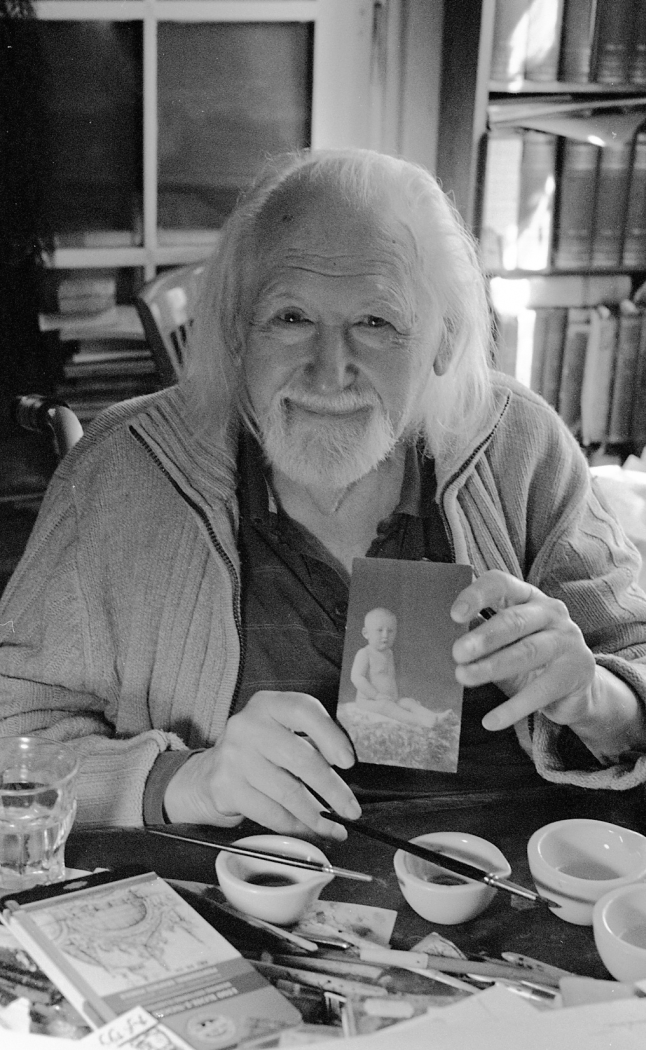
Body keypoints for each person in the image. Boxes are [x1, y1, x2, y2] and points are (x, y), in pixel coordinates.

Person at [2, 148, 646, 841]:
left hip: (515, 872)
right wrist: (182, 780)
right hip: (236, 891)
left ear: (444, 339)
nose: (329, 371)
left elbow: (632, 660)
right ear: (237, 331)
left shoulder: (521, 446)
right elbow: (13, 742)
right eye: (291, 317)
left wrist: (597, 698)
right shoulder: (123, 471)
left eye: (376, 323)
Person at [349, 607, 449, 728]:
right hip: (369, 701)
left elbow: (389, 677)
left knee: (408, 702)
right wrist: (376, 695)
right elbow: (357, 678)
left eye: (390, 631)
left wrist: (394, 695)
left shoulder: (389, 653)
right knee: (387, 707)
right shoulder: (365, 653)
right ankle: (420, 721)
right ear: (366, 633)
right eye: (379, 630)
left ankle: (435, 716)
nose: (385, 635)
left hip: (390, 698)